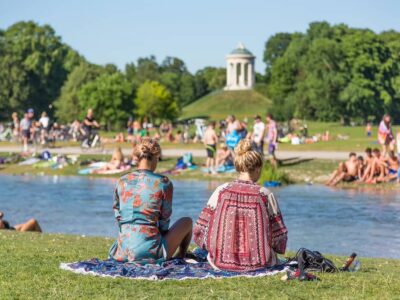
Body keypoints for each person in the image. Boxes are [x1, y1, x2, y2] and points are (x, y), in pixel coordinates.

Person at [193, 139, 287, 272]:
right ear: (258, 168)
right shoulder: (265, 194)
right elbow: (279, 236)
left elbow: (200, 229)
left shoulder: (221, 190)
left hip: (219, 263)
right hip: (260, 263)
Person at [109, 138, 192, 263]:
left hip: (122, 250)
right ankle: (180, 255)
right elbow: (164, 221)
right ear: (156, 157)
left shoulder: (121, 181)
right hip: (149, 251)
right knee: (187, 221)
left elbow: (118, 216)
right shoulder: (163, 182)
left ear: (137, 158)